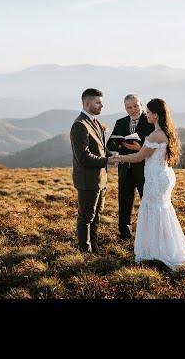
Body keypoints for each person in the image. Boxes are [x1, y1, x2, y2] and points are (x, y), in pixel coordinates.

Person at [109, 98, 185, 272]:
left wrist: (118, 158)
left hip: (156, 178)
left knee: (153, 210)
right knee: (161, 211)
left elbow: (139, 156)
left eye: (149, 112)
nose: (147, 115)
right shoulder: (166, 131)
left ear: (156, 115)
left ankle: (156, 251)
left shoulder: (155, 135)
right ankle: (162, 247)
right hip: (164, 175)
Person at [107, 94, 155, 240]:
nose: (133, 109)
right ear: (125, 108)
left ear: (141, 105)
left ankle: (150, 233)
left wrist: (139, 148)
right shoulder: (120, 122)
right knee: (124, 203)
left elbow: (153, 146)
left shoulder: (150, 122)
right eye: (129, 107)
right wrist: (119, 143)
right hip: (124, 169)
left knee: (147, 202)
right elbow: (110, 144)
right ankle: (124, 234)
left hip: (143, 169)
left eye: (136, 106)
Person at [70, 88, 110, 253]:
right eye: (98, 102)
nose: (102, 105)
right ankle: (84, 252)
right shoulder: (79, 125)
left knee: (97, 216)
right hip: (87, 180)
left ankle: (95, 248)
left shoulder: (95, 122)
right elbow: (84, 157)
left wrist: (113, 154)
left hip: (100, 179)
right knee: (86, 217)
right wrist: (108, 160)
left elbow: (99, 149)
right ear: (87, 103)